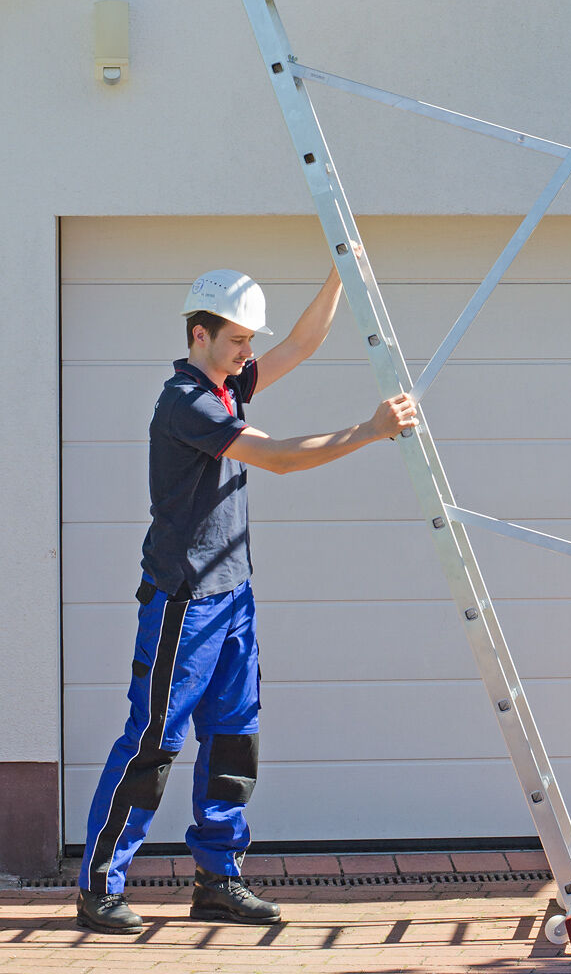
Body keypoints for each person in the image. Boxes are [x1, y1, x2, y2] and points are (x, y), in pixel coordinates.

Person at [75, 265, 416, 936]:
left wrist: (340, 273)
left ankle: (218, 879)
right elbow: (282, 458)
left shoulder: (228, 385)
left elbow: (300, 345)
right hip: (185, 602)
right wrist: (371, 429)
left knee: (234, 741)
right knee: (153, 742)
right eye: (236, 340)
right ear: (200, 335)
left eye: (248, 342)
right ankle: (99, 886)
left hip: (234, 598)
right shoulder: (187, 401)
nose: (248, 353)